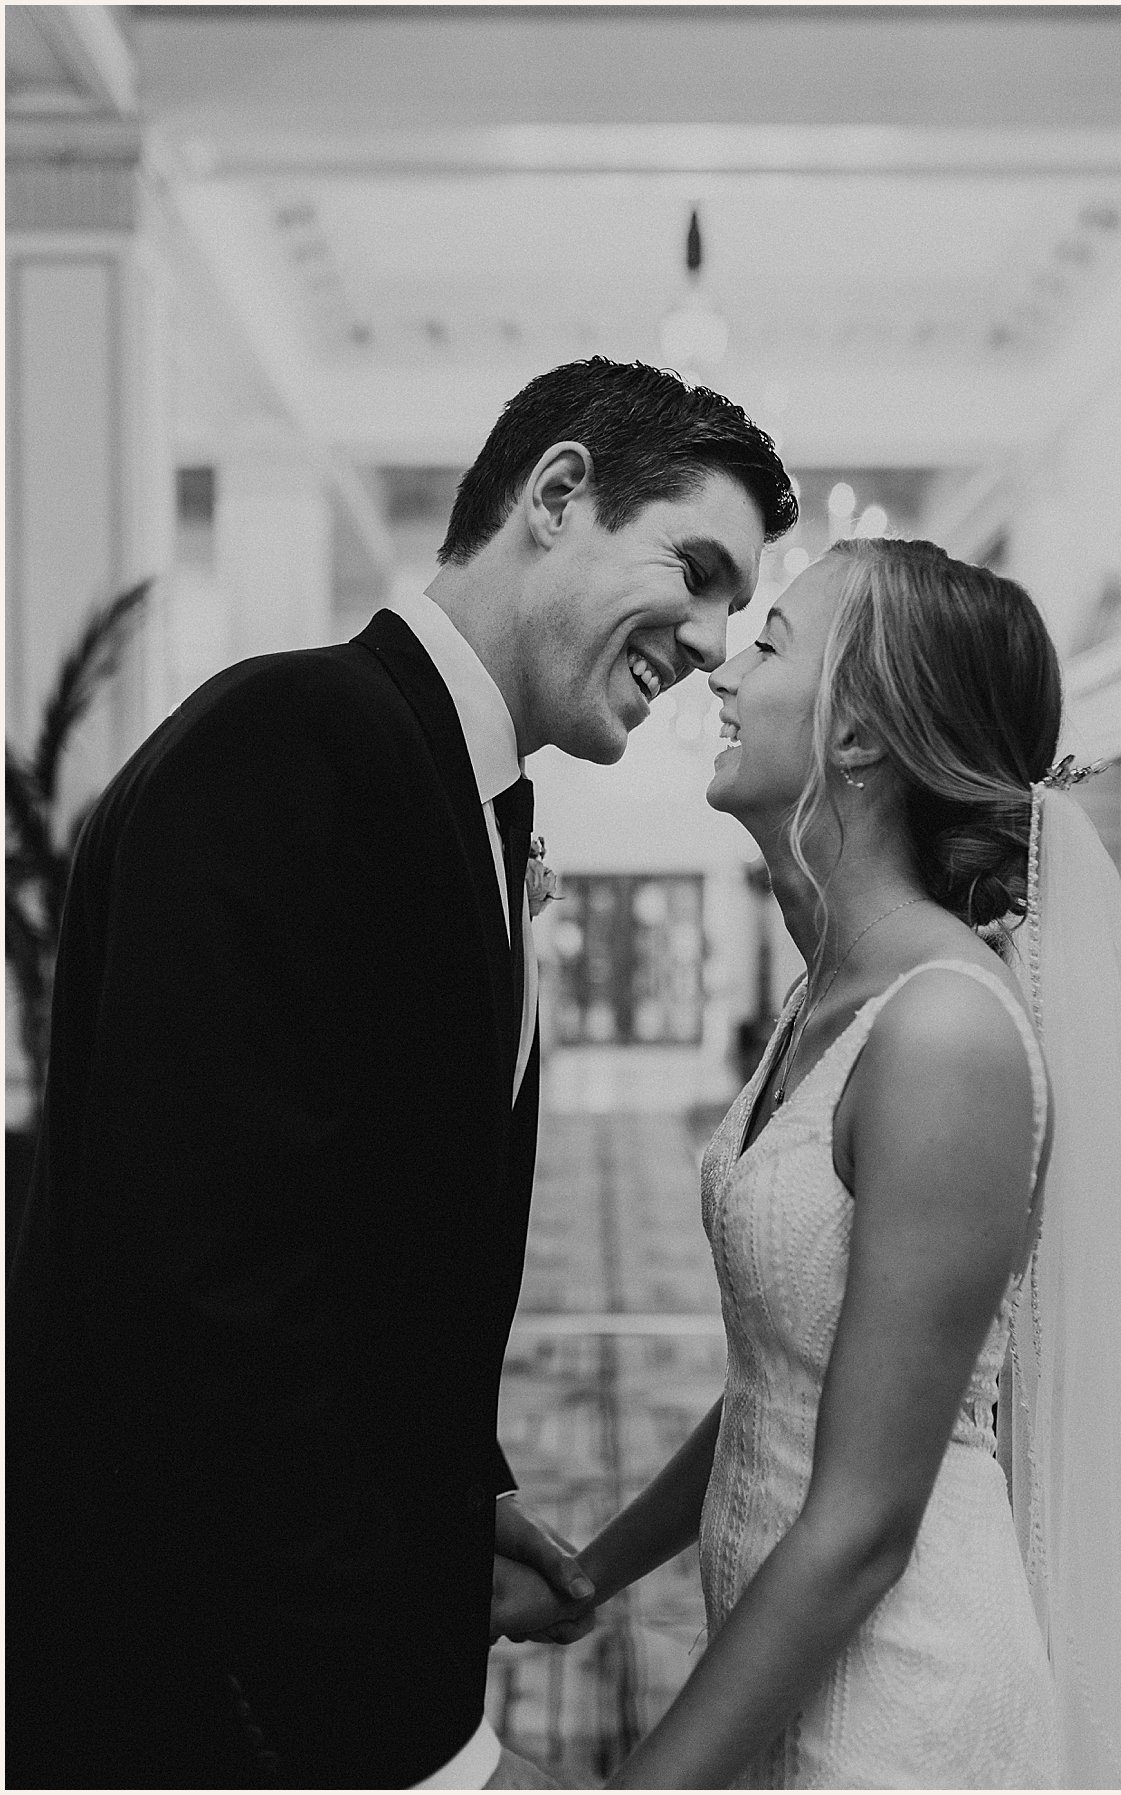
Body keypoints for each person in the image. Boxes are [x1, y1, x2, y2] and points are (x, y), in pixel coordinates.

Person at [6, 358, 797, 1789]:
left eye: (738, 609)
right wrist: (416, 1743)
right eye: (697, 568)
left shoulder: (457, 791)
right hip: (208, 1694)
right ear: (557, 495)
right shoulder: (285, 743)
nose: (708, 639)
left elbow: (369, 1250)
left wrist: (459, 1489)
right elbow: (206, 1304)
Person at [507, 537, 1121, 1786]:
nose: (719, 672)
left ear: (860, 741)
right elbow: (798, 1366)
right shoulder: (833, 986)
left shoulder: (943, 1030)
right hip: (787, 1646)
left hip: (899, 1704)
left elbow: (870, 1522)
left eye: (768, 646)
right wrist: (598, 1565)